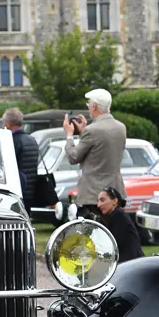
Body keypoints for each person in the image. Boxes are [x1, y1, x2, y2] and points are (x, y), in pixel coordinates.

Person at [63, 88, 127, 219]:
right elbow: (100, 148)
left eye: (89, 105)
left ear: (94, 106)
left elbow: (73, 157)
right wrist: (84, 132)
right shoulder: (121, 127)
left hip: (94, 195)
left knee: (95, 236)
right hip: (115, 192)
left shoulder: (92, 131)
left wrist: (69, 135)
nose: (88, 109)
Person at [2, 107, 39, 208]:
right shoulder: (31, 139)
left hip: (17, 190)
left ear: (8, 123)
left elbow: (6, 165)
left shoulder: (12, 141)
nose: (3, 124)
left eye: (3, 122)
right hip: (31, 189)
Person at [96, 187, 144, 262]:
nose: (98, 205)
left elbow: (112, 244)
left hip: (131, 264)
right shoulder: (117, 214)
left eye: (102, 200)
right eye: (98, 201)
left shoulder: (118, 215)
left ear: (114, 201)